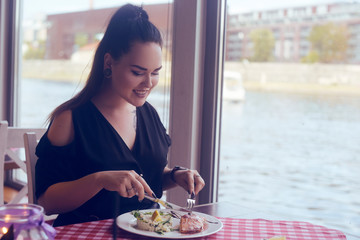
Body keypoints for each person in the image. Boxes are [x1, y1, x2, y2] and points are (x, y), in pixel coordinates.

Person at [35, 4, 205, 227]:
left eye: (155, 73)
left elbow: (144, 179)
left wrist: (174, 175)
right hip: (88, 233)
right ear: (109, 63)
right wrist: (99, 180)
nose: (148, 83)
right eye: (137, 72)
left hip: (149, 231)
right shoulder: (70, 119)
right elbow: (45, 202)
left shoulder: (148, 113)